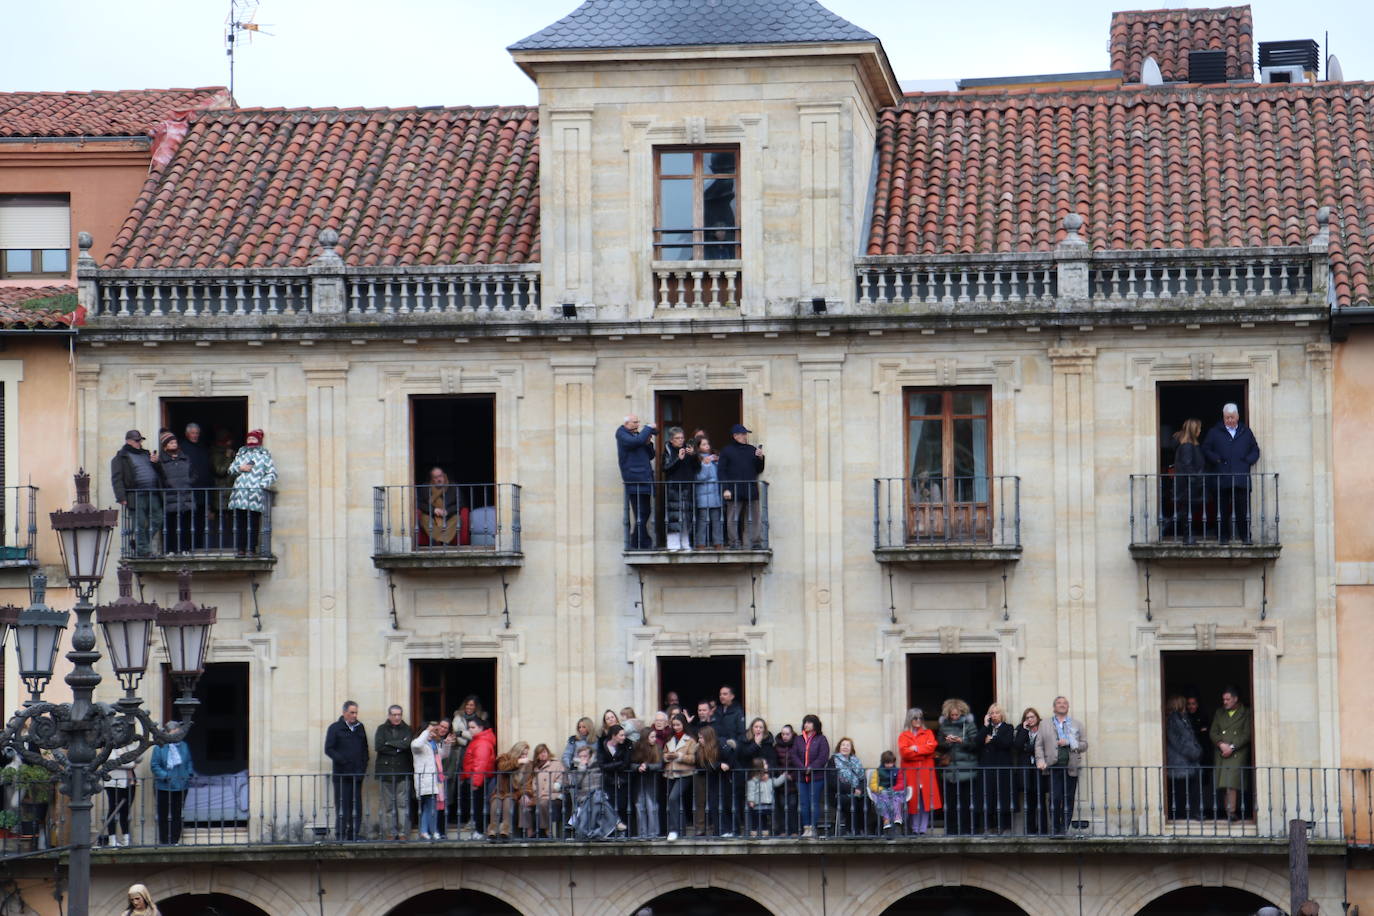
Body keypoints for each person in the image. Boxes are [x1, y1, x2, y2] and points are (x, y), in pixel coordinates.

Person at [1201, 403, 1261, 543]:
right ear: (1223, 417)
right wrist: (1216, 459)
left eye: (1232, 417)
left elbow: (1255, 450)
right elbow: (1205, 449)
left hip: (1240, 478)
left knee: (1242, 510)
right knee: (1221, 510)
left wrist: (1247, 461)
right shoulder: (1214, 432)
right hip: (1221, 478)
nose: (1229, 420)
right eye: (1227, 418)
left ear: (1237, 416)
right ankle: (1223, 537)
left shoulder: (1246, 431)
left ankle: (1246, 537)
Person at [1034, 696, 1089, 835]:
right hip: (1053, 767)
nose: (1062, 705)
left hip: (1071, 767)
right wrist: (1040, 760)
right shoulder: (1045, 724)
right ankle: (1054, 828)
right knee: (1054, 798)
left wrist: (1070, 743)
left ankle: (1063, 829)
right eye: (1059, 703)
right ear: (1054, 707)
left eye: (1065, 703)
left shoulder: (1077, 724)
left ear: (1068, 707)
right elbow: (1038, 745)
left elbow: (1084, 744)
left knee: (1068, 798)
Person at [111, 429, 167, 557]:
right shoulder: (121, 457)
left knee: (158, 518)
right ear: (128, 441)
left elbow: (161, 473)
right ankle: (143, 551)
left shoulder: (146, 454)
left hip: (153, 492)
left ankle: (139, 543)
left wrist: (156, 463)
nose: (139, 443)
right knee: (140, 523)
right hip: (136, 494)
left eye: (140, 440)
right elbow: (116, 478)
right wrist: (121, 497)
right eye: (137, 441)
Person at [227, 429, 277, 557]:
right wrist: (240, 468)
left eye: (253, 439)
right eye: (249, 439)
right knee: (240, 522)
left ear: (258, 441)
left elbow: (272, 473)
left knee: (253, 522)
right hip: (240, 494)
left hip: (255, 495)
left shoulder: (264, 455)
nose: (250, 441)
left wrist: (261, 485)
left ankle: (251, 548)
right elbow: (230, 470)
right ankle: (240, 549)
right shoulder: (241, 454)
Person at [324, 700, 368, 841]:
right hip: (342, 775)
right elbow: (329, 749)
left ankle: (354, 833)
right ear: (344, 713)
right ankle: (341, 834)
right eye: (352, 713)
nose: (354, 716)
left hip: (357, 774)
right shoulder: (335, 728)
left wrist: (362, 767)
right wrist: (343, 761)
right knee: (343, 805)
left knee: (357, 805)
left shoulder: (360, 728)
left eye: (356, 713)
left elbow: (365, 750)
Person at [718, 423, 766, 549]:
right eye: (743, 434)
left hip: (751, 489)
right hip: (733, 490)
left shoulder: (751, 450)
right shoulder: (727, 451)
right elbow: (721, 471)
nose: (745, 436)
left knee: (754, 518)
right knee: (733, 518)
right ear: (735, 436)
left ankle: (754, 543)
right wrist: (725, 489)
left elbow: (759, 469)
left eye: (746, 434)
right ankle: (734, 543)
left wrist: (760, 458)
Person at [937, 699, 981, 834]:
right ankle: (951, 830)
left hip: (967, 769)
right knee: (950, 802)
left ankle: (967, 830)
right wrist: (947, 742)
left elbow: (975, 745)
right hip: (950, 769)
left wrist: (962, 741)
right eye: (952, 715)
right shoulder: (944, 726)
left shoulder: (969, 725)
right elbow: (938, 745)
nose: (954, 717)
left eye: (957, 714)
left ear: (962, 713)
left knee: (967, 802)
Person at [897, 708, 941, 835]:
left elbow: (932, 748)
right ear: (910, 720)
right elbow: (905, 753)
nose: (918, 721)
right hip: (910, 773)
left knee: (926, 800)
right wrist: (923, 752)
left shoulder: (928, 733)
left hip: (926, 772)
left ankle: (922, 829)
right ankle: (915, 828)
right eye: (915, 718)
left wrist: (915, 748)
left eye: (920, 718)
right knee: (913, 800)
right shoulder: (903, 735)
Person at [1210, 686, 1252, 821]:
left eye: (1228, 699)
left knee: (1232, 784)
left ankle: (1231, 812)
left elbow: (1247, 734)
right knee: (1224, 784)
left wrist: (1232, 747)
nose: (1225, 702)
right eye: (1224, 699)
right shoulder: (1219, 712)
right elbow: (1213, 732)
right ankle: (1229, 812)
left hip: (1236, 753)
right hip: (1221, 752)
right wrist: (1221, 744)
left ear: (1235, 699)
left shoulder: (1246, 713)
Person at [617, 415, 657, 550]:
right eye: (635, 422)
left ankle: (639, 541)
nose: (637, 424)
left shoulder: (637, 436)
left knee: (645, 512)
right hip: (634, 480)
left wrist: (648, 443)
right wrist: (649, 427)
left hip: (644, 479)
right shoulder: (622, 434)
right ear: (626, 423)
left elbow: (651, 455)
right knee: (641, 513)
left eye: (638, 422)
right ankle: (640, 542)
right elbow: (636, 442)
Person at [375, 705, 414, 840]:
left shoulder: (407, 729)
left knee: (402, 804)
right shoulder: (381, 729)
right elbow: (378, 746)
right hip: (386, 771)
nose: (397, 717)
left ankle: (402, 832)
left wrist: (389, 743)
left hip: (402, 771)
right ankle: (391, 832)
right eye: (394, 715)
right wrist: (398, 747)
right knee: (389, 805)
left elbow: (407, 745)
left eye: (399, 715)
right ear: (389, 715)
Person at [1165, 694, 1204, 822]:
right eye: (1184, 703)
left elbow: (1190, 738)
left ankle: (1194, 813)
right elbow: (1177, 741)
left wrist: (1196, 750)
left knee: (1192, 789)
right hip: (1180, 762)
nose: (1186, 706)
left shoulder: (1182, 718)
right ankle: (1182, 814)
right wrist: (1194, 752)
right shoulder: (1173, 719)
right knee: (1181, 791)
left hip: (1188, 762)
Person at [790, 714, 830, 838]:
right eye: (805, 722)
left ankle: (813, 827)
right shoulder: (798, 739)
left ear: (815, 724)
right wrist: (803, 768)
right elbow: (794, 755)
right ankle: (806, 828)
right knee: (803, 803)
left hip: (816, 777)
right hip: (801, 777)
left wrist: (811, 768)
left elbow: (823, 756)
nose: (806, 725)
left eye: (809, 722)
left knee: (814, 803)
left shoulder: (821, 739)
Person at [411, 720, 451, 841]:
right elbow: (417, 744)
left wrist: (447, 743)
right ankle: (425, 831)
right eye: (431, 731)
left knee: (433, 807)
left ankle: (432, 832)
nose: (433, 733)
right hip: (425, 779)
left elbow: (444, 755)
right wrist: (427, 731)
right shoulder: (417, 743)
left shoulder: (433, 744)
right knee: (429, 807)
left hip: (435, 780)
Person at [158, 432, 197, 553]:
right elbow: (159, 477)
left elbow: (194, 473)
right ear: (165, 446)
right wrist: (167, 485)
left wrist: (188, 482)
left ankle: (186, 549)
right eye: (170, 442)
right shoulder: (161, 461)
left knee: (186, 525)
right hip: (170, 497)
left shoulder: (185, 458)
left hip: (186, 496)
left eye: (175, 442)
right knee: (171, 525)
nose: (174, 444)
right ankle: (171, 550)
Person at [979, 703, 1015, 833]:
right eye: (992, 713)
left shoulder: (1008, 727)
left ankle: (1004, 827)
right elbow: (977, 742)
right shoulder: (986, 728)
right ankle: (988, 827)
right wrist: (984, 725)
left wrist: (992, 739)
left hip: (1003, 768)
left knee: (1003, 797)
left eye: (996, 713)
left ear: (1001, 715)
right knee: (988, 797)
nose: (994, 715)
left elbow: (1007, 743)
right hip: (987, 768)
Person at [150, 738, 194, 845]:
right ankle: (164, 841)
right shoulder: (159, 747)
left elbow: (189, 761)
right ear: (168, 733)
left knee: (177, 814)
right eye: (175, 731)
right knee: (163, 814)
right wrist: (165, 776)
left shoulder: (184, 745)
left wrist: (189, 774)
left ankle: (175, 840)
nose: (178, 734)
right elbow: (154, 765)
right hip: (163, 786)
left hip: (181, 785)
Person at [662, 713, 697, 841]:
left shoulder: (690, 740)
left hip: (685, 774)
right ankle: (680, 830)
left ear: (684, 725)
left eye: (678, 725)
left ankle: (674, 830)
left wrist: (679, 756)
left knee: (673, 798)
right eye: (674, 725)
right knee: (674, 801)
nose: (676, 727)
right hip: (671, 773)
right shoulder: (669, 739)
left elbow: (694, 758)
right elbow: (664, 754)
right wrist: (666, 756)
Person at [487, 741, 532, 841]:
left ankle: (505, 831)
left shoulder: (528, 765)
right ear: (517, 752)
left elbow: (528, 782)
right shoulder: (504, 758)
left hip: (515, 793)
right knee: (496, 801)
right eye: (522, 754)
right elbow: (503, 767)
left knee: (508, 801)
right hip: (500, 791)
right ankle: (492, 831)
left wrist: (525, 794)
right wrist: (518, 762)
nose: (524, 756)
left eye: (526, 754)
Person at [1171, 418, 1206, 543]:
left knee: (1188, 510)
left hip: (1190, 485)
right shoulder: (1187, 446)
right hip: (1188, 485)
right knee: (1187, 511)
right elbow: (1187, 465)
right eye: (1199, 428)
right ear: (1194, 430)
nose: (1200, 431)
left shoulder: (1189, 445)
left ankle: (1187, 534)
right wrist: (1197, 478)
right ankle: (1187, 536)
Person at [462, 717, 496, 839]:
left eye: (473, 727)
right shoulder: (478, 740)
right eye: (469, 727)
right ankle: (479, 830)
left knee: (479, 805)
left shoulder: (482, 742)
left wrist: (476, 782)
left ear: (481, 728)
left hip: (480, 779)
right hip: (477, 778)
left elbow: (480, 764)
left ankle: (480, 831)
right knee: (478, 805)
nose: (470, 730)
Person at [662, 427, 696, 551]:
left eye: (682, 437)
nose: (681, 440)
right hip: (674, 488)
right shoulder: (668, 450)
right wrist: (678, 459)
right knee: (674, 517)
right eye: (677, 438)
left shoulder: (688, 449)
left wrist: (693, 455)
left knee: (687, 516)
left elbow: (697, 468)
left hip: (688, 486)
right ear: (671, 440)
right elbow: (665, 468)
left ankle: (686, 543)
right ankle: (673, 544)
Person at [1014, 707, 1046, 834]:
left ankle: (1043, 830)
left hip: (1040, 769)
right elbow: (1017, 746)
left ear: (1037, 718)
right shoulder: (1021, 729)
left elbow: (1044, 746)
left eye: (1032, 717)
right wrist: (1024, 729)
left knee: (1041, 800)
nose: (1030, 719)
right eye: (1027, 717)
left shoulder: (1044, 729)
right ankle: (1030, 830)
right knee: (1029, 801)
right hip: (1026, 770)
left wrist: (1028, 747)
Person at [102, 742, 138, 847]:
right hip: (114, 783)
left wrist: (133, 746)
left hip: (129, 782)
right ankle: (112, 840)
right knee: (113, 810)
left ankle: (126, 839)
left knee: (125, 811)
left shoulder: (128, 744)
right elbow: (114, 762)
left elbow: (139, 757)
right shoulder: (110, 745)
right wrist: (131, 763)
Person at [1185, 691, 1215, 818]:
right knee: (1190, 787)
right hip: (1188, 758)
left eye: (1193, 703)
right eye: (1189, 704)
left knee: (1200, 786)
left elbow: (1207, 735)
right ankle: (1191, 812)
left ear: (1197, 704)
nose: (1191, 706)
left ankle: (1198, 811)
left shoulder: (1203, 716)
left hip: (1203, 757)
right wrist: (1199, 730)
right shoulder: (1185, 718)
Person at [597, 725, 632, 832]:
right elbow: (602, 765)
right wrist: (617, 764)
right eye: (621, 735)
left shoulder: (627, 745)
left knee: (622, 807)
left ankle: (625, 832)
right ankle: (612, 832)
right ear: (614, 736)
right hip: (608, 780)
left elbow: (626, 763)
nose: (623, 737)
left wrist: (611, 766)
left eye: (624, 735)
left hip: (622, 781)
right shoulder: (602, 745)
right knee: (609, 807)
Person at [631, 727, 664, 838]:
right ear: (645, 738)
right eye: (652, 737)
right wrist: (638, 767)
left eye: (655, 736)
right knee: (640, 806)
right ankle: (642, 833)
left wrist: (648, 766)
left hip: (652, 780)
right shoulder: (636, 748)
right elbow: (630, 763)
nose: (654, 739)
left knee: (652, 806)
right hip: (639, 781)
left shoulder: (657, 748)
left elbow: (660, 764)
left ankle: (653, 833)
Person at [693, 436, 725, 549]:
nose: (707, 446)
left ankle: (718, 543)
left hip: (715, 495)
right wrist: (705, 465)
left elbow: (720, 475)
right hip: (703, 495)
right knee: (702, 521)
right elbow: (699, 477)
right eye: (703, 444)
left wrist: (719, 461)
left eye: (708, 444)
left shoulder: (713, 458)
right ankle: (700, 543)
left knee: (717, 521)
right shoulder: (696, 459)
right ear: (698, 447)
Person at [417, 466, 462, 547]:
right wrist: (433, 510)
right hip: (432, 516)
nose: (439, 479)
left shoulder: (453, 486)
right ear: (432, 479)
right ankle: (442, 540)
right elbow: (420, 503)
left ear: (444, 475)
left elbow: (461, 503)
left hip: (449, 516)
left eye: (440, 476)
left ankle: (440, 541)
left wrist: (447, 511)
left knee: (457, 518)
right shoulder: (425, 488)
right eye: (435, 477)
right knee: (424, 518)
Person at [529, 743, 565, 838]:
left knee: (543, 803)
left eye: (544, 752)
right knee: (530, 804)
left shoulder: (556, 764)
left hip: (554, 796)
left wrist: (548, 790)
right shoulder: (536, 768)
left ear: (548, 752)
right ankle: (532, 832)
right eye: (540, 753)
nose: (543, 754)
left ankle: (546, 831)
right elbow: (534, 785)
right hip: (540, 797)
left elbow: (560, 781)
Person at [831, 737, 867, 836]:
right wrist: (852, 790)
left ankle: (862, 830)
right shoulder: (833, 761)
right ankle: (851, 830)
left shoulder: (856, 761)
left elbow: (862, 778)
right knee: (852, 802)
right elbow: (833, 782)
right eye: (843, 745)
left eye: (848, 745)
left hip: (856, 792)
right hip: (840, 793)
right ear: (839, 747)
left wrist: (859, 788)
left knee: (865, 801)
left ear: (851, 748)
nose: (845, 747)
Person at [745, 756, 787, 836]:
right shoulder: (754, 780)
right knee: (756, 820)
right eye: (765, 764)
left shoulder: (769, 779)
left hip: (768, 803)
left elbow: (776, 782)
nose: (767, 765)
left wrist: (783, 776)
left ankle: (765, 833)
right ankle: (754, 833)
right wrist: (751, 800)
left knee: (765, 821)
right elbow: (751, 790)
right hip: (758, 804)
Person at [774, 723, 800, 834]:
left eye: (787, 734)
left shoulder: (797, 745)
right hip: (781, 781)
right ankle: (784, 830)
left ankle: (794, 830)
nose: (784, 736)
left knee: (793, 806)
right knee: (782, 806)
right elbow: (775, 763)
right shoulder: (776, 747)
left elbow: (798, 763)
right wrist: (782, 775)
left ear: (792, 734)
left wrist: (792, 776)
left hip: (793, 782)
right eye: (783, 734)